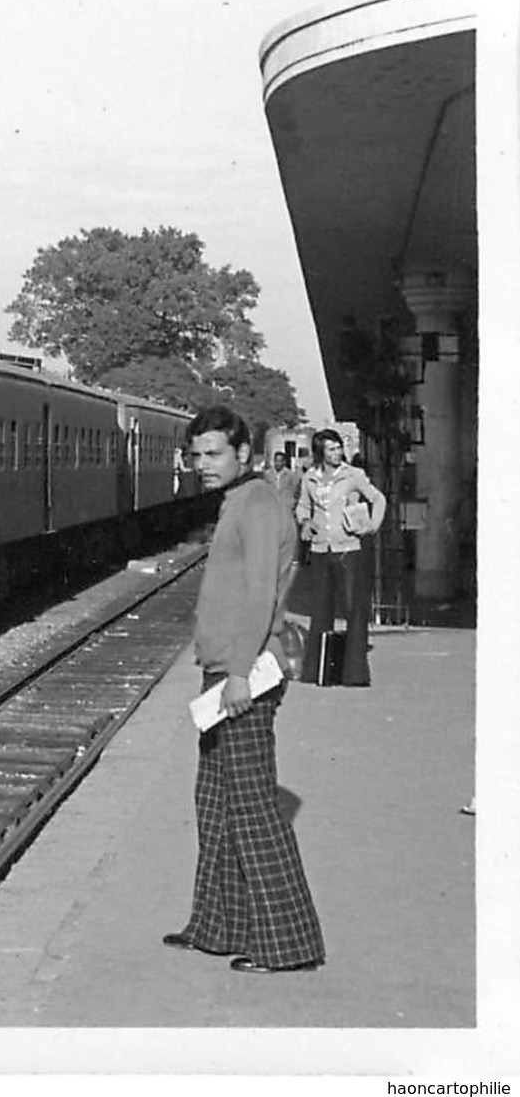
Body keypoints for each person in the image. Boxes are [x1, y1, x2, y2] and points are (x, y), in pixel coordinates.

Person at [164, 404, 324, 974]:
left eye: (214, 454)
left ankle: (287, 945)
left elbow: (260, 592)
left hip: (245, 672)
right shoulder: (239, 500)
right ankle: (218, 925)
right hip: (226, 672)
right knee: (215, 805)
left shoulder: (256, 504)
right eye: (196, 454)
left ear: (244, 455)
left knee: (253, 808)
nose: (202, 464)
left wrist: (237, 672)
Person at [294, 430, 385, 686]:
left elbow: (378, 499)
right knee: (321, 609)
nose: (337, 453)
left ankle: (354, 673)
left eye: (338, 448)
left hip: (349, 549)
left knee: (352, 609)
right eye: (331, 449)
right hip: (321, 549)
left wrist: (370, 527)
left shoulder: (352, 475)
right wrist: (304, 521)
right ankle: (318, 670)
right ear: (320, 452)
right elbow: (302, 506)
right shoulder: (309, 478)